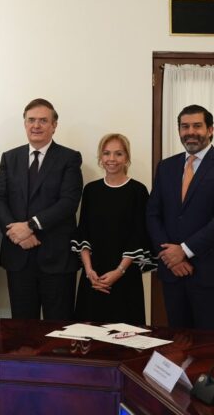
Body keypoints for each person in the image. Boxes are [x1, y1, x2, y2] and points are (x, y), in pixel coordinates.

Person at [147, 105, 214, 330]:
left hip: (210, 275)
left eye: (197, 126)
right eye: (185, 126)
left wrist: (184, 250)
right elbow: (153, 213)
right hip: (172, 273)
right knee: (177, 342)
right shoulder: (166, 167)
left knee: (209, 345)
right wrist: (169, 256)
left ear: (210, 129)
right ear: (179, 131)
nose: (190, 132)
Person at [0, 98, 82, 320]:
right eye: (31, 120)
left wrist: (30, 226)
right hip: (18, 256)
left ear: (54, 125)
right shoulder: (9, 157)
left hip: (56, 258)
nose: (36, 125)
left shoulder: (69, 158)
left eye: (43, 120)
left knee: (58, 327)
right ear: (25, 124)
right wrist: (16, 234)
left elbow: (69, 202)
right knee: (22, 329)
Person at [72, 133, 152, 326]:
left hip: (125, 275)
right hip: (94, 276)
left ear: (127, 158)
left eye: (118, 153)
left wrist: (118, 271)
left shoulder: (138, 191)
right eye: (107, 153)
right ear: (101, 157)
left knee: (126, 336)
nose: (112, 159)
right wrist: (89, 271)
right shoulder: (90, 190)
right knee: (89, 335)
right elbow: (83, 232)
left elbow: (139, 236)